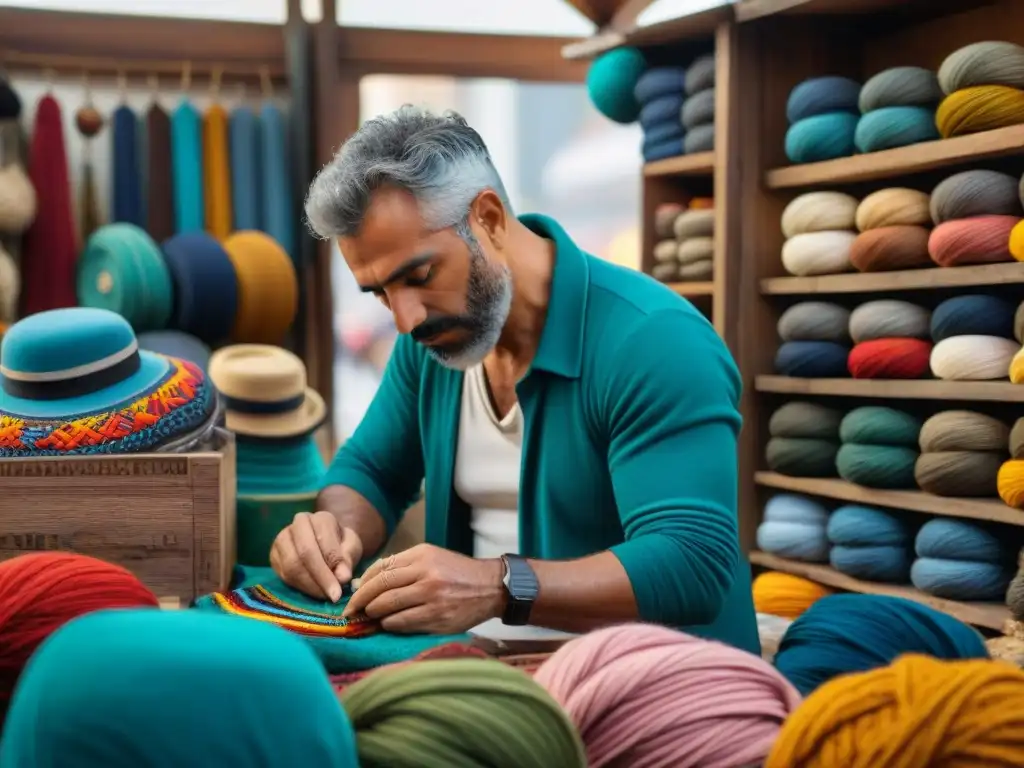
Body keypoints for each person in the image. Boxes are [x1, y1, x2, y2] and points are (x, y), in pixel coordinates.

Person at [274, 105, 759, 654]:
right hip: (492, 676)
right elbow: (371, 471)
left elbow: (693, 561)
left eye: (420, 276)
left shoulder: (654, 342)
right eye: (380, 292)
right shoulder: (435, 345)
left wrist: (498, 585)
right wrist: (334, 534)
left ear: (489, 220)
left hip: (656, 694)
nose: (405, 319)